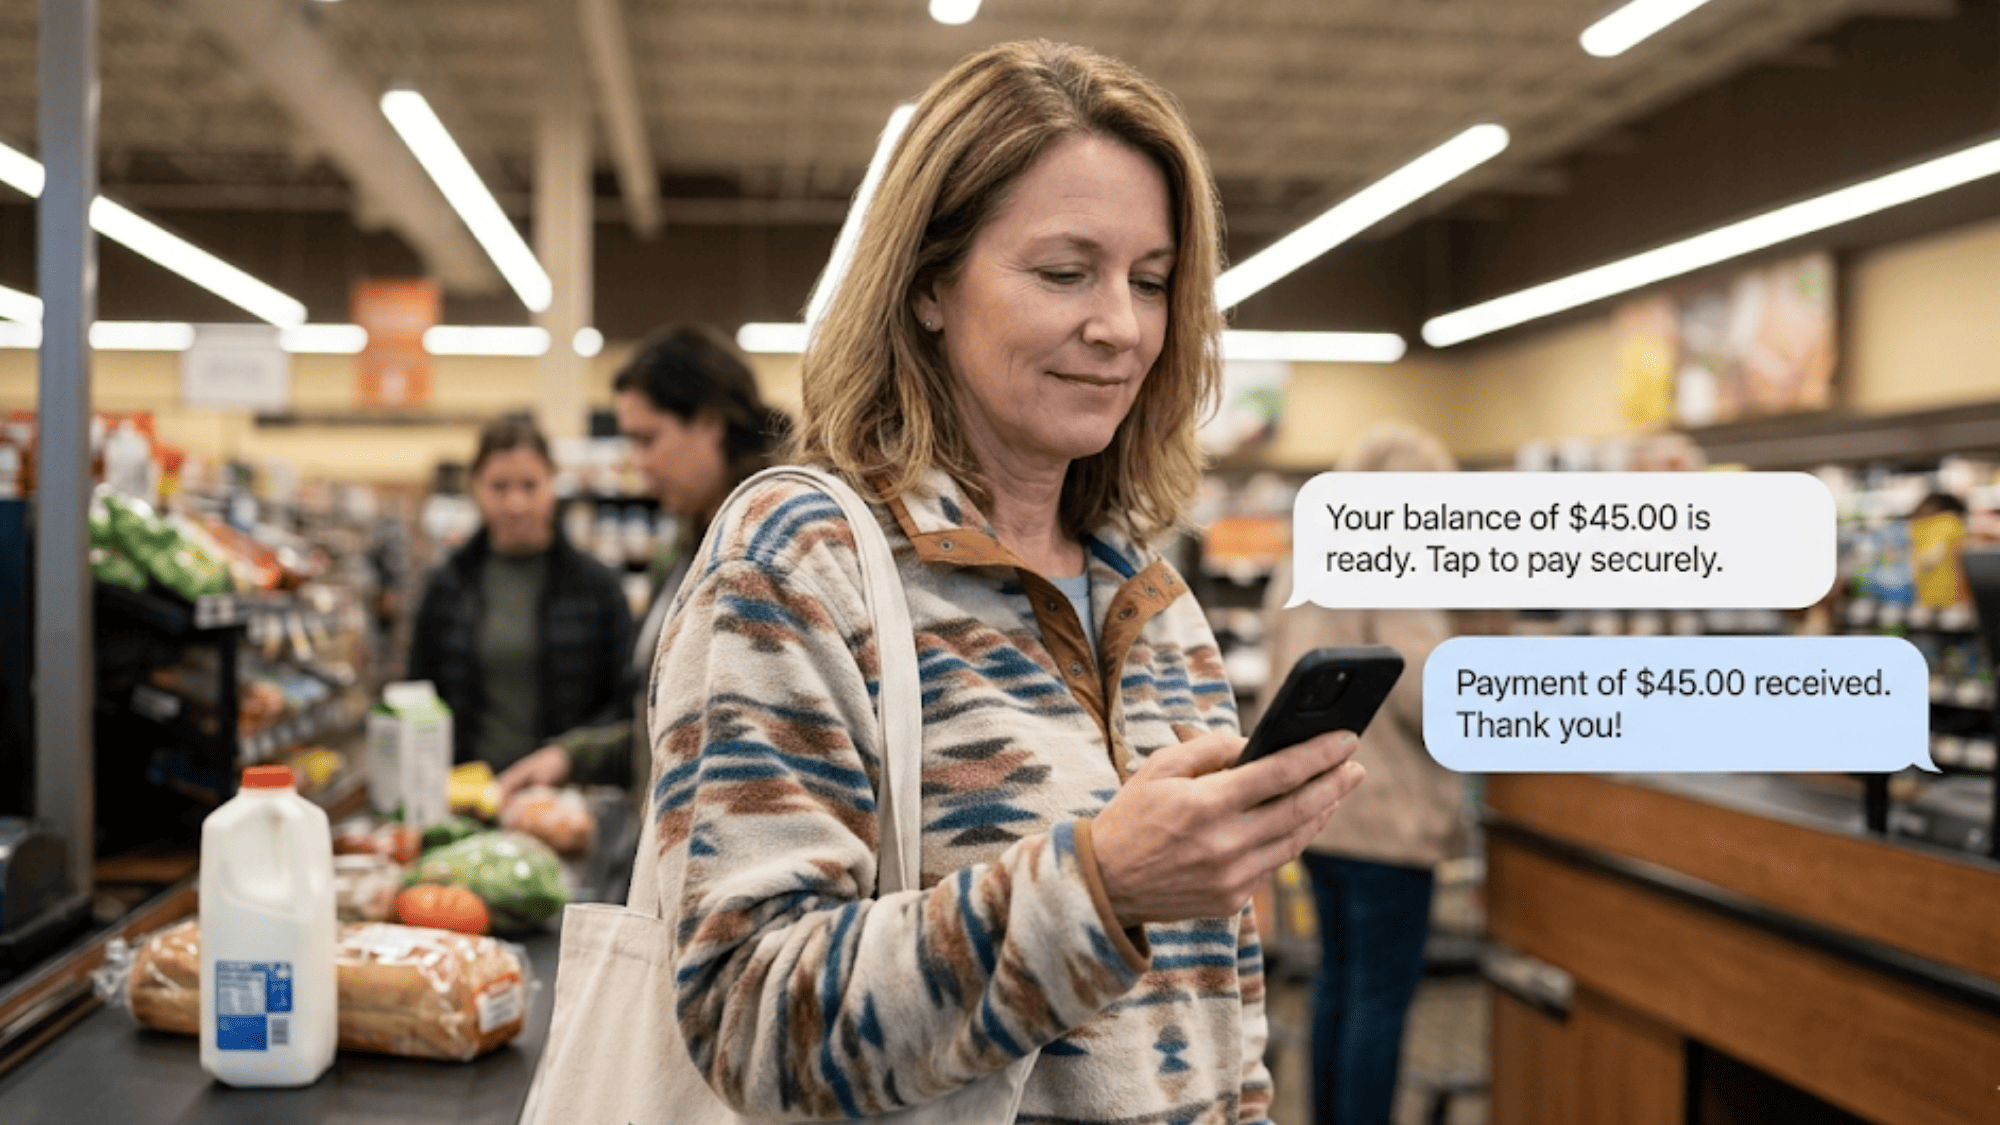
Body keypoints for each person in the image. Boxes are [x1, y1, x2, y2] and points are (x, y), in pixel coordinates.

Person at [643, 39, 1365, 1123]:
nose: (1118, 325)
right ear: (929, 285)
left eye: (1150, 281)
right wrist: (1099, 887)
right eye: (1063, 272)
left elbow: (1218, 1015)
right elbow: (748, 1016)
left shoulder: (1151, 602)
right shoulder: (798, 561)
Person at [1259, 422, 1468, 1125]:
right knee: (1380, 998)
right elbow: (1425, 690)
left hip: (1320, 809)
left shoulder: (1305, 558)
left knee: (1338, 983)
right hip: (1389, 817)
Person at [496, 325, 790, 797]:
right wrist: (572, 757)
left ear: (710, 423)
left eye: (647, 439)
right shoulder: (683, 546)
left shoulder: (775, 546)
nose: (639, 463)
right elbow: (665, 731)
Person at [407, 417, 633, 774]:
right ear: (475, 488)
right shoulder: (446, 586)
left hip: (564, 797)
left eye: (530, 485)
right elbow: (418, 692)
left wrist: (572, 758)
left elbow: (623, 701)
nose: (515, 503)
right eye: (499, 486)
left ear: (552, 484)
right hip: (468, 791)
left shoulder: (598, 588)